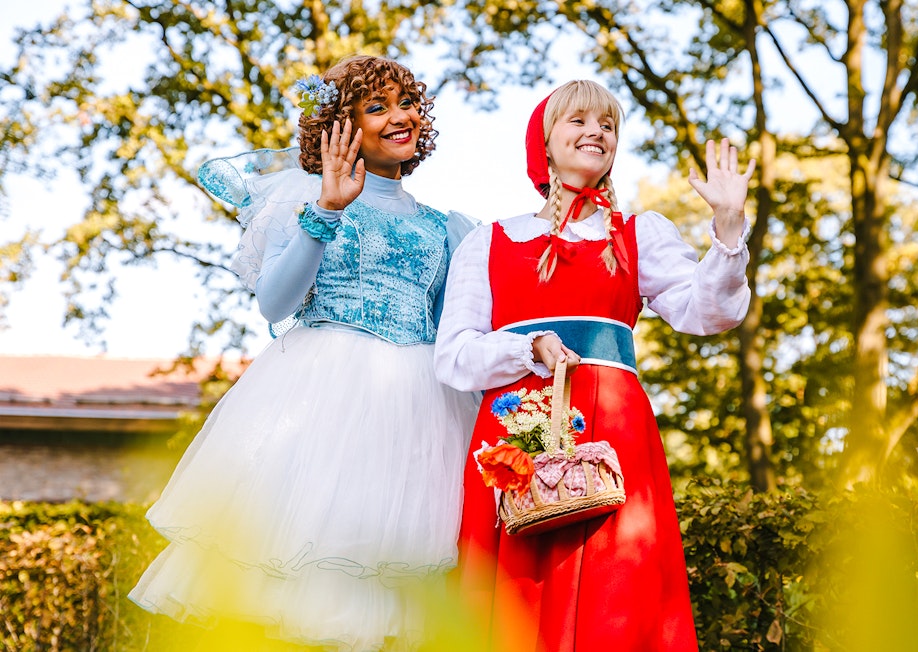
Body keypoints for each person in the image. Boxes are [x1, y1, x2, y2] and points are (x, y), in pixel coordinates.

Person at [129, 55, 478, 650]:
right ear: (341, 127)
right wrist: (327, 213)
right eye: (378, 107)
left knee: (391, 582)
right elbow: (273, 303)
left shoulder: (451, 228)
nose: (401, 117)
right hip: (320, 395)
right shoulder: (304, 198)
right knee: (297, 578)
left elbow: (456, 334)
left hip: (418, 416)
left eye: (407, 103)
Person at [433, 79, 756, 651]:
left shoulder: (638, 235)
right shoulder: (490, 242)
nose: (596, 132)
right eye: (578, 121)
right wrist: (525, 349)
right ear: (545, 142)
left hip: (615, 440)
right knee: (514, 603)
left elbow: (708, 312)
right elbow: (453, 356)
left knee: (618, 593)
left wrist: (727, 228)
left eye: (607, 125)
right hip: (516, 444)